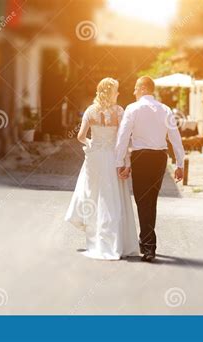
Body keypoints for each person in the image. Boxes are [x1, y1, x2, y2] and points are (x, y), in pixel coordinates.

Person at [65, 77, 139, 260]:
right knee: (112, 197)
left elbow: (81, 136)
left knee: (94, 196)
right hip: (113, 157)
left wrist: (92, 143)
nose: (119, 93)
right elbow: (123, 139)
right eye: (116, 90)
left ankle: (96, 240)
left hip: (95, 158)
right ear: (110, 92)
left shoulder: (90, 111)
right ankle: (114, 242)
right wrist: (126, 160)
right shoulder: (119, 112)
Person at [115, 76, 185, 262]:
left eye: (136, 89)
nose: (133, 92)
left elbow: (123, 136)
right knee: (150, 199)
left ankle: (148, 247)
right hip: (160, 157)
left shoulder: (132, 108)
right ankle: (146, 242)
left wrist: (119, 162)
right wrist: (180, 164)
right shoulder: (166, 109)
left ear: (143, 88)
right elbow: (175, 137)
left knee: (142, 199)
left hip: (141, 157)